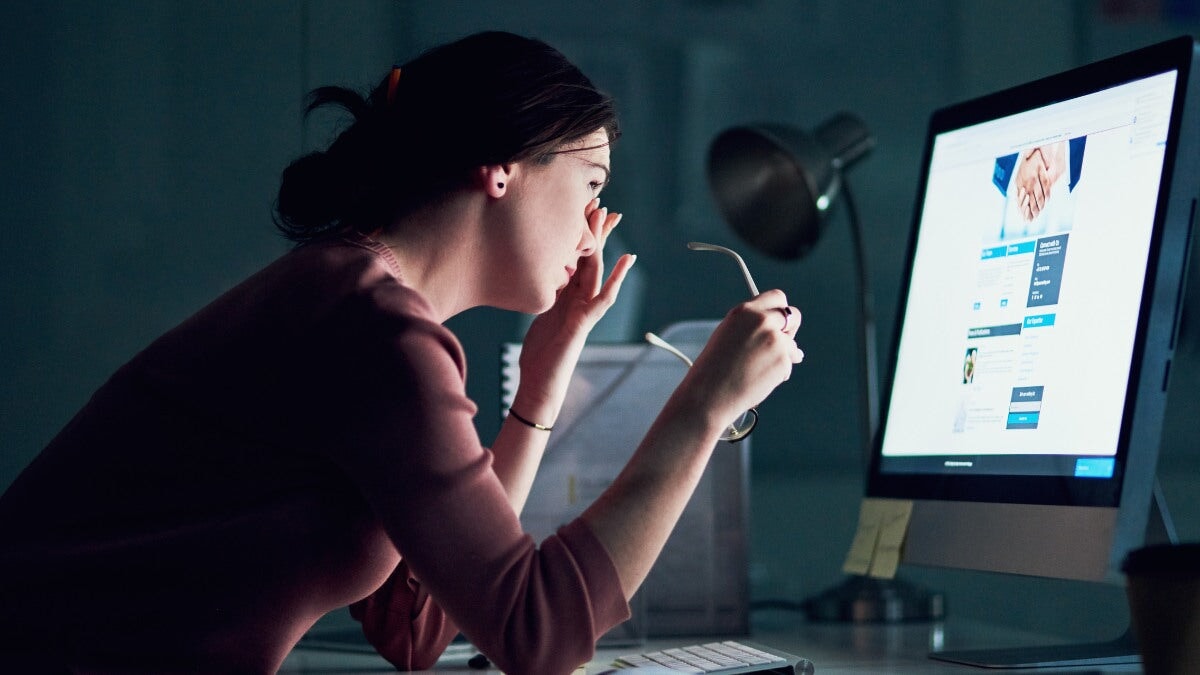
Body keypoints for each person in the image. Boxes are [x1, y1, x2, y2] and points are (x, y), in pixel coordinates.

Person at [0, 31, 803, 675]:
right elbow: (537, 636)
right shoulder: (374, 328)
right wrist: (704, 406)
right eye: (591, 182)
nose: (597, 226)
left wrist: (543, 377)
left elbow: (416, 628)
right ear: (503, 167)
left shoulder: (353, 297)